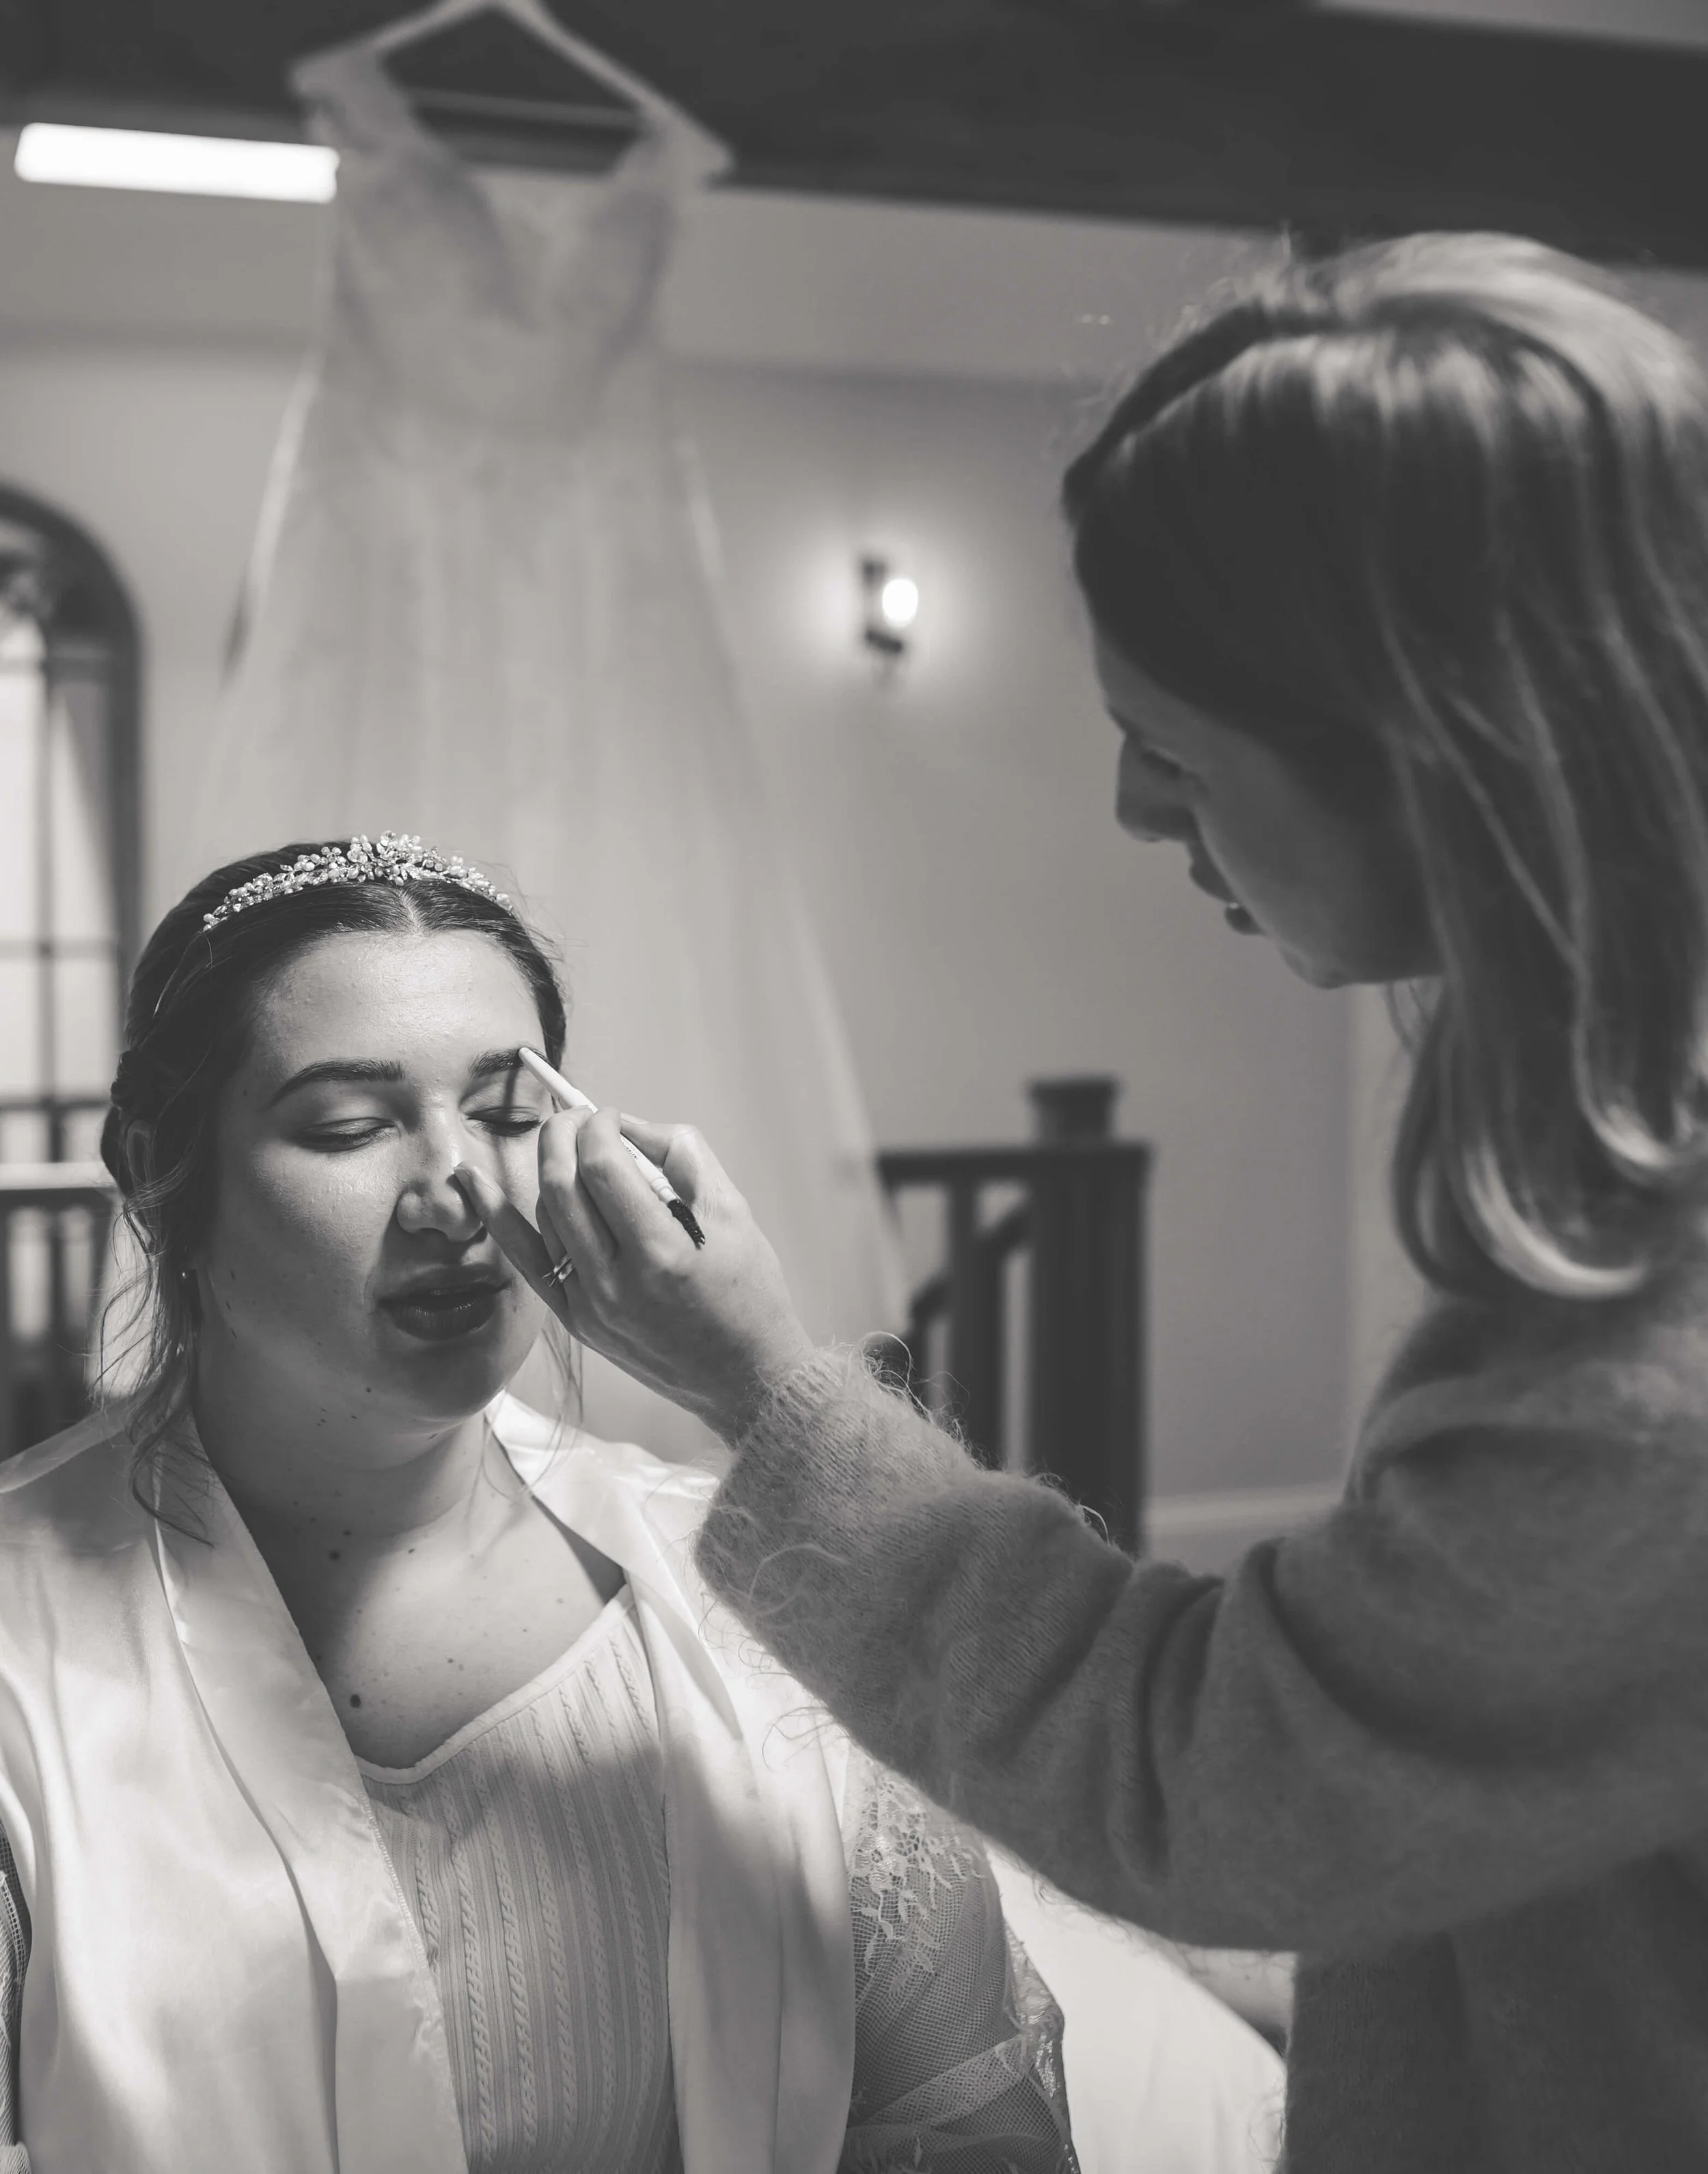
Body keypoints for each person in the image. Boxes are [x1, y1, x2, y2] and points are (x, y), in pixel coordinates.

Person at [464, 234, 1708, 2174]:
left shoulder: (1648, 1367)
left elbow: (1217, 1774)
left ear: (1430, 755)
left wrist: (764, 1380)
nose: (1134, 810)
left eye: (1175, 743)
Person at [0, 834, 1076, 2174]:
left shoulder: (765, 1605)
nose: (452, 1186)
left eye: (508, 1114)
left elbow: (956, 2122)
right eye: (347, 1124)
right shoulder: (22, 1656)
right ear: (166, 1175)